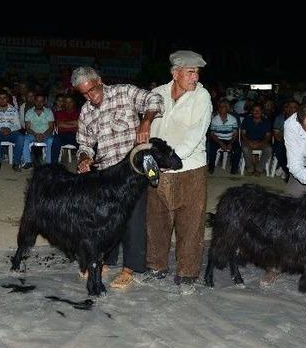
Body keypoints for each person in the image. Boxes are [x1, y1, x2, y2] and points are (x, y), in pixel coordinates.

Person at [74, 66, 163, 289]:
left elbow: (156, 99)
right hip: (106, 174)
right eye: (83, 94)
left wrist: (146, 120)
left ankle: (129, 269)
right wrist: (85, 158)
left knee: (133, 219)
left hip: (133, 171)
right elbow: (84, 144)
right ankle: (106, 260)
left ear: (100, 81)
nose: (89, 97)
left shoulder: (125, 92)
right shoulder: (86, 111)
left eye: (91, 90)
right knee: (107, 219)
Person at [144, 50, 212, 294]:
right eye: (191, 72)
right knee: (156, 219)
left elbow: (196, 134)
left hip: (190, 167)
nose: (195, 77)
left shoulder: (202, 96)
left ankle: (187, 273)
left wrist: (171, 159)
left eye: (197, 72)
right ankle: (156, 266)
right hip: (159, 165)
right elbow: (149, 126)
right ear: (175, 73)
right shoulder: (157, 94)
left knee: (191, 222)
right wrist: (151, 155)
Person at [207, 99, 241, 175]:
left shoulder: (232, 119)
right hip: (218, 139)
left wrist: (231, 143)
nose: (221, 108)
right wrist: (220, 142)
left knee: (238, 150)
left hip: (230, 139)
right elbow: (212, 134)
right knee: (212, 148)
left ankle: (234, 169)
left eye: (223, 107)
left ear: (227, 108)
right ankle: (211, 167)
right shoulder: (215, 119)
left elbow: (235, 133)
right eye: (220, 107)